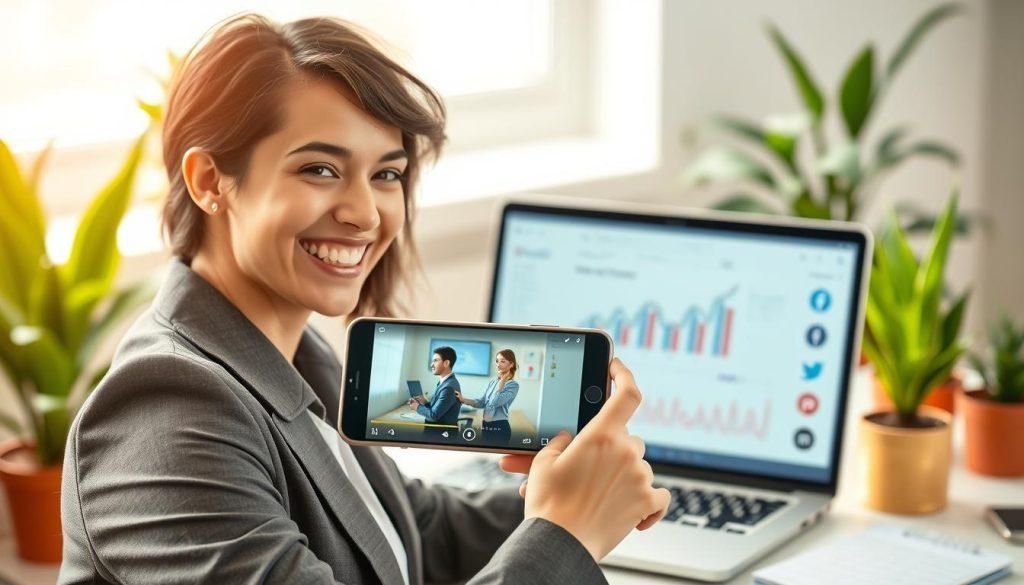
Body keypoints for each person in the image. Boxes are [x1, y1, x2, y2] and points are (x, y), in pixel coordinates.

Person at [58, 13, 669, 585]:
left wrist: (576, 493)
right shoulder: (167, 414)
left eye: (386, 174)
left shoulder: (298, 357)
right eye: (320, 169)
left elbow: (415, 531)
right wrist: (564, 532)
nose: (365, 213)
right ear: (210, 180)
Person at [456, 349, 520, 447]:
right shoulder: (493, 382)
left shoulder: (513, 385)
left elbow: (495, 402)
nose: (498, 364)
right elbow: (482, 402)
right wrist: (463, 399)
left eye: (502, 361)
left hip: (499, 427)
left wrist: (502, 383)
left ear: (511, 364)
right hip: (486, 426)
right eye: (497, 361)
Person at [408, 346, 461, 436]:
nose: (431, 365)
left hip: (440, 435)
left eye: (435, 361)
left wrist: (417, 407)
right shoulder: (445, 382)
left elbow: (434, 415)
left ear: (446, 363)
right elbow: (439, 409)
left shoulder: (448, 387)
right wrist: (425, 403)